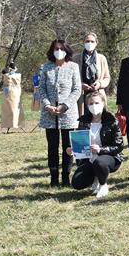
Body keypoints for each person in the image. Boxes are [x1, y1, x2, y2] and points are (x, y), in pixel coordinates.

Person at [39, 39, 82, 187]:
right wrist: (47, 105)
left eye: (61, 49)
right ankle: (53, 178)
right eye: (56, 49)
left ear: (66, 50)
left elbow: (77, 89)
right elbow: (41, 89)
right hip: (49, 114)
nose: (58, 51)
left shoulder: (73, 67)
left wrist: (65, 105)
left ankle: (66, 177)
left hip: (67, 113)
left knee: (68, 147)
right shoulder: (46, 67)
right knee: (52, 146)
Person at [70, 92, 125, 198]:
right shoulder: (83, 121)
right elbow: (80, 141)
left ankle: (103, 185)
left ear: (103, 103)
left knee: (99, 163)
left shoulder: (112, 120)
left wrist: (100, 149)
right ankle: (95, 177)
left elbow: (119, 146)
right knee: (77, 183)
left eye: (96, 103)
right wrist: (73, 149)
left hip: (110, 157)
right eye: (90, 103)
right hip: (89, 158)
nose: (93, 106)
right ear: (87, 105)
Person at [72, 32, 111, 116]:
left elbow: (107, 78)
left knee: (99, 120)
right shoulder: (75, 58)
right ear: (84, 42)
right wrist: (80, 85)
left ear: (96, 43)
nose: (89, 43)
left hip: (98, 94)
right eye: (87, 41)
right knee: (83, 121)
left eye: (92, 41)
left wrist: (99, 84)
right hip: (81, 96)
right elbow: (71, 78)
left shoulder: (101, 58)